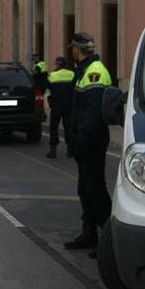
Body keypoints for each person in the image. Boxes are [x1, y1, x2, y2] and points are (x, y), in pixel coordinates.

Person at [64, 32, 113, 251]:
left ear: (77, 50)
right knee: (85, 189)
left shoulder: (94, 72)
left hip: (91, 140)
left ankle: (112, 240)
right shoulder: (84, 70)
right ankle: (89, 233)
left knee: (95, 191)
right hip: (84, 139)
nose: (72, 52)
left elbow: (92, 113)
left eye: (72, 49)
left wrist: (82, 139)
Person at [45, 56, 74, 159]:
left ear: (57, 64)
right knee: (68, 127)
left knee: (54, 127)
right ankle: (70, 151)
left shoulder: (52, 75)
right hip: (68, 104)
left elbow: (47, 88)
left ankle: (53, 151)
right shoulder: (71, 74)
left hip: (56, 104)